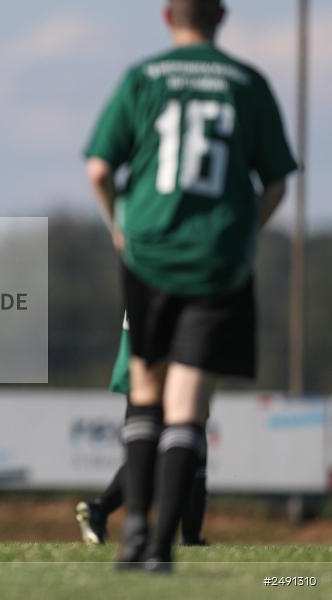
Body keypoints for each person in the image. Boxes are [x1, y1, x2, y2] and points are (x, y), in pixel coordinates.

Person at [84, 0, 296, 571]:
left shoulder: (143, 77)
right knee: (189, 406)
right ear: (221, 17)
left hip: (149, 253)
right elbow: (277, 178)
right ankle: (160, 548)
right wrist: (246, 229)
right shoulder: (247, 82)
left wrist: (120, 229)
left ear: (167, 16)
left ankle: (130, 536)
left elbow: (100, 169)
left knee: (147, 394)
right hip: (217, 260)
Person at [75, 316, 208, 546]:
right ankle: (185, 537)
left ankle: (102, 510)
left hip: (142, 331)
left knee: (160, 444)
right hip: (170, 333)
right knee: (185, 435)